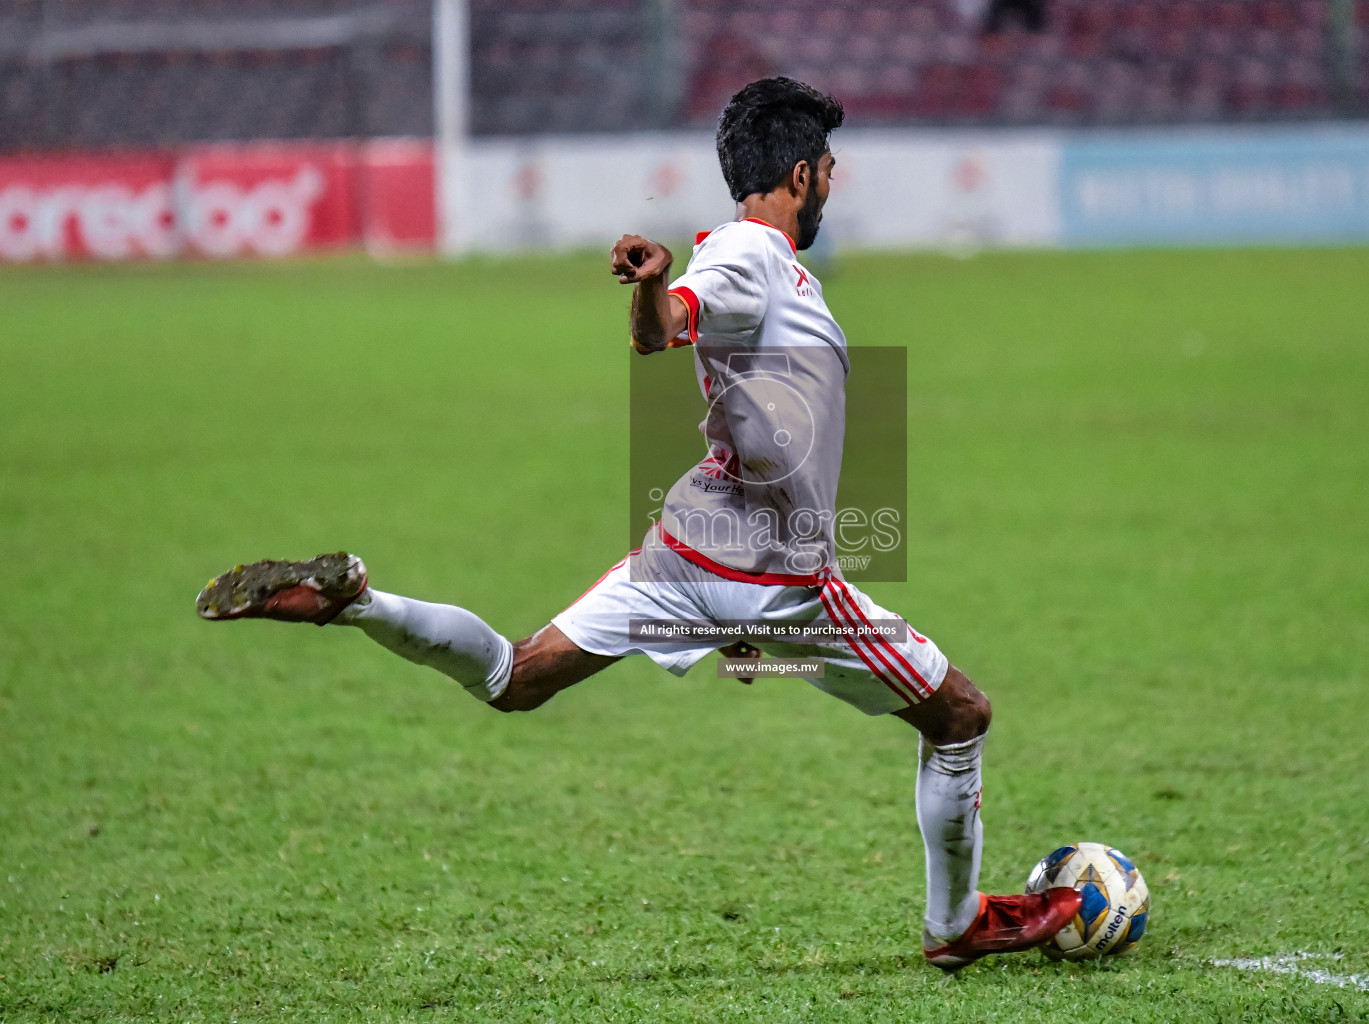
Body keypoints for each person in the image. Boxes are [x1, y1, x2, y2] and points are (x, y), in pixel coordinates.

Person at [195, 76, 1080, 971]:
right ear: (804, 173)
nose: (833, 185)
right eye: (831, 170)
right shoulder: (751, 255)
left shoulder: (760, 262)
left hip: (690, 551)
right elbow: (669, 330)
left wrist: (743, 630)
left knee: (517, 676)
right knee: (960, 715)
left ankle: (354, 602)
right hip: (777, 578)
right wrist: (654, 290)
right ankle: (955, 925)